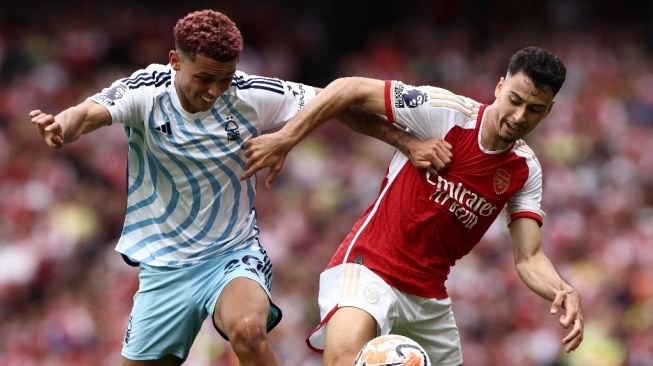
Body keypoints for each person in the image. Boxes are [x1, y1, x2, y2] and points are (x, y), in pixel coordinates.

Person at [29, 9, 452, 366]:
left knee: (249, 331)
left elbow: (334, 103)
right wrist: (60, 127)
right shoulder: (145, 92)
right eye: (204, 78)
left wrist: (408, 142)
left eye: (225, 78)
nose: (215, 91)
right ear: (175, 60)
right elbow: (86, 114)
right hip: (164, 266)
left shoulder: (252, 95)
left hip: (231, 253)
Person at [240, 46, 585, 365]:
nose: (520, 116)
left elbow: (528, 257)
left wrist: (562, 289)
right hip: (370, 265)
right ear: (499, 87)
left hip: (429, 296)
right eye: (515, 100)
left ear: (549, 110)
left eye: (535, 109)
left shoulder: (525, 169)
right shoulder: (446, 114)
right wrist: (287, 137)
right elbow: (348, 89)